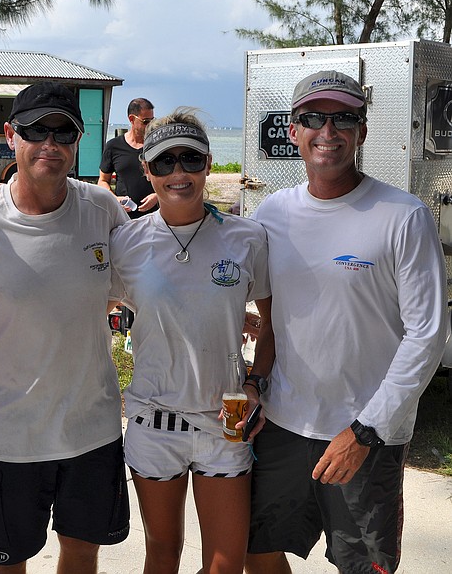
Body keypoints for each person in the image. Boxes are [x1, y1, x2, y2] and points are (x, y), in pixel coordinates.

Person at [244, 70, 447, 574]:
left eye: (343, 119)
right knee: (257, 549)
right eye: (313, 118)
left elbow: (427, 335)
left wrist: (366, 431)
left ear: (362, 131)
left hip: (367, 434)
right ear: (293, 130)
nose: (327, 132)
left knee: (365, 567)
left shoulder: (405, 215)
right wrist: (252, 383)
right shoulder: (273, 213)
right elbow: (265, 314)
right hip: (284, 423)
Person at [0, 81, 131, 573]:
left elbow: (141, 282)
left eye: (64, 132)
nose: (51, 143)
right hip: (10, 434)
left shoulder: (102, 209)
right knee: (8, 563)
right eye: (35, 130)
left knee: (83, 553)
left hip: (92, 426)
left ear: (79, 140)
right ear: (10, 135)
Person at [111, 108, 270, 574]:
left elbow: (273, 323)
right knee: (163, 553)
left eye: (190, 160)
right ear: (146, 169)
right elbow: (88, 305)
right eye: (164, 163)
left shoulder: (247, 237)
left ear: (208, 163)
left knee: (226, 563)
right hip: (152, 417)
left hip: (228, 416)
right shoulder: (125, 242)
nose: (178, 173)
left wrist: (257, 383)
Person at [99, 97, 158, 218]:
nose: (150, 126)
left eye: (153, 121)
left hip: (154, 218)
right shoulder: (113, 146)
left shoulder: (157, 145)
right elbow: (103, 180)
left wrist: (157, 196)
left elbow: (170, 179)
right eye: (146, 121)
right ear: (132, 119)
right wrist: (114, 199)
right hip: (123, 218)